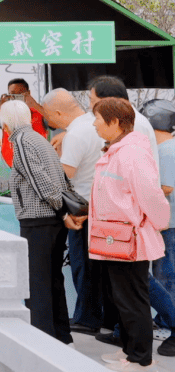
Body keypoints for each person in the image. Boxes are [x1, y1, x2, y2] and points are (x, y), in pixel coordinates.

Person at [67, 98, 169, 372]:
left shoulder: (132, 153)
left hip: (129, 238)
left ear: (114, 122)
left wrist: (159, 222)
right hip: (114, 237)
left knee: (132, 300)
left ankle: (141, 358)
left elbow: (150, 194)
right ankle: (129, 351)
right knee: (121, 298)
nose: (94, 124)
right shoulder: (117, 150)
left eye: (98, 119)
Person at [1, 100, 73, 344]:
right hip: (53, 219)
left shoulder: (20, 141)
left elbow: (37, 179)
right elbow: (60, 178)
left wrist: (61, 209)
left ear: (5, 124)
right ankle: (61, 335)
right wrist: (63, 211)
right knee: (53, 278)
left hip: (38, 218)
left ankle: (42, 339)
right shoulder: (40, 139)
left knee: (37, 280)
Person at [42, 88, 105, 335]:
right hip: (98, 205)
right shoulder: (93, 123)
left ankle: (88, 319)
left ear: (58, 112)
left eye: (48, 115)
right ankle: (98, 317)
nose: (49, 121)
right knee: (94, 267)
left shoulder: (76, 133)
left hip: (82, 209)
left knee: (83, 265)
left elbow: (63, 176)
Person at [143, 99, 175, 357]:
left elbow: (166, 187)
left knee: (166, 277)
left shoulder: (168, 150)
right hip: (165, 222)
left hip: (169, 224)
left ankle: (168, 324)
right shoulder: (164, 148)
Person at [86, 76, 160, 163]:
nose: (91, 106)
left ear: (110, 100)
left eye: (93, 101)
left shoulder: (135, 124)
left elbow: (135, 169)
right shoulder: (115, 121)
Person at [0, 79, 47, 167]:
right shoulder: (5, 114)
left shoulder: (39, 113)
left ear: (28, 93)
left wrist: (34, 104)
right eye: (13, 94)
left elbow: (57, 121)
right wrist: (0, 107)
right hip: (10, 168)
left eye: (20, 94)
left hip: (37, 167)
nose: (16, 98)